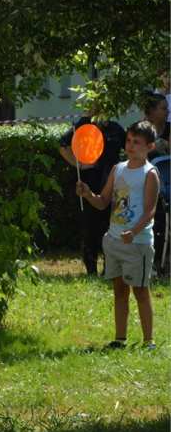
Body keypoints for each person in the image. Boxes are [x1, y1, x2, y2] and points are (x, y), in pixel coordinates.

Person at [76, 120, 159, 351]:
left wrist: (133, 231)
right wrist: (87, 194)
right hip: (114, 241)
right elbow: (102, 202)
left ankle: (148, 340)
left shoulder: (149, 173)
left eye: (137, 142)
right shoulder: (118, 169)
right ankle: (119, 339)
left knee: (141, 291)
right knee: (120, 290)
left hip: (138, 243)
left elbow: (151, 209)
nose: (131, 146)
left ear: (150, 147)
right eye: (129, 141)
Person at [59, 108, 126, 275]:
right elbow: (63, 144)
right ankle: (91, 269)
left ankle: (108, 268)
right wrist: (79, 165)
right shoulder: (83, 125)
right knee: (90, 227)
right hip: (90, 183)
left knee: (110, 225)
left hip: (112, 183)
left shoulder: (115, 129)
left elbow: (129, 148)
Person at [142, 92, 169, 274]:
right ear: (151, 111)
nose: (167, 112)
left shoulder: (169, 129)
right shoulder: (140, 130)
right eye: (163, 108)